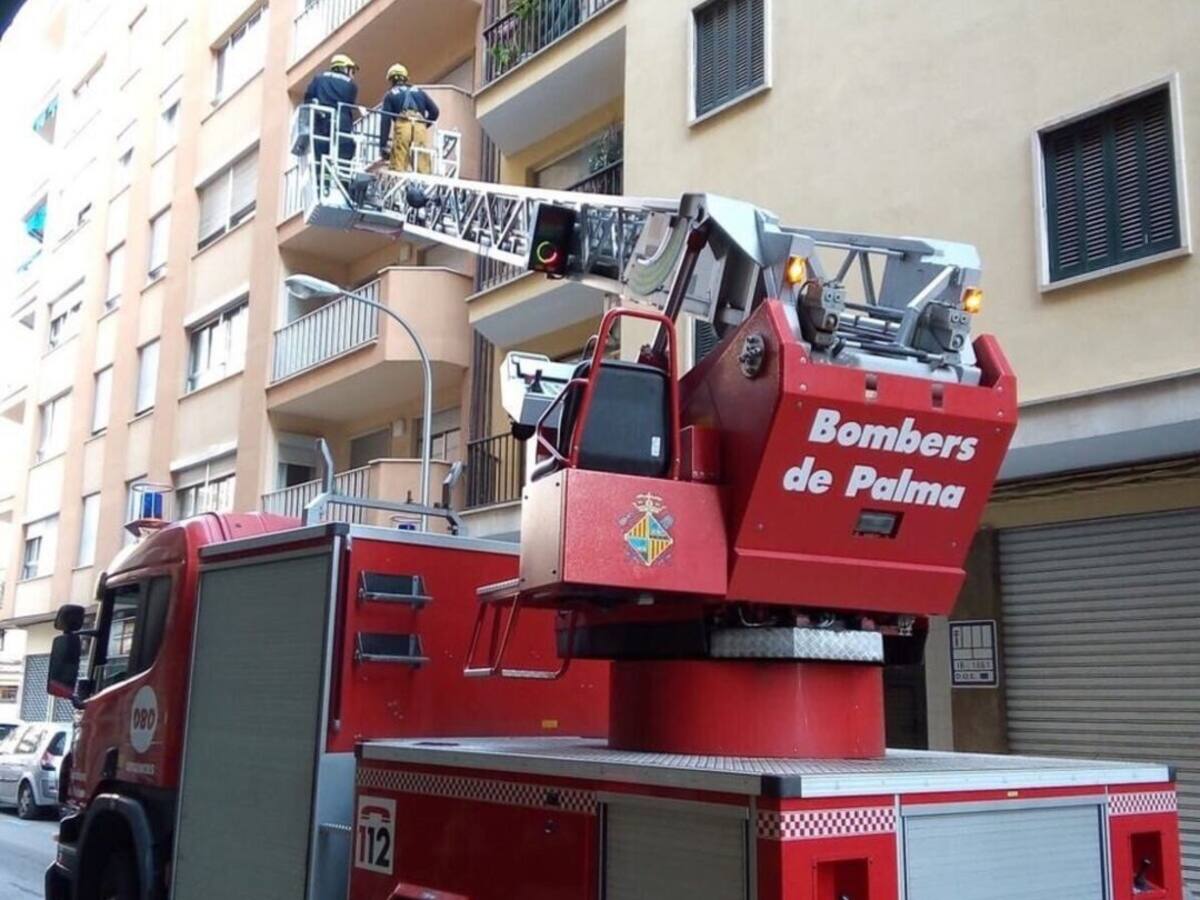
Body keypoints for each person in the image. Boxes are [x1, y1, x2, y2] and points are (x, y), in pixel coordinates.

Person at [378, 64, 440, 174]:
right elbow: (435, 111)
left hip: (403, 126)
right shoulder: (419, 92)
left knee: (399, 164)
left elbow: (385, 121)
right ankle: (424, 187)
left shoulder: (390, 95)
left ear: (391, 80)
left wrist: (383, 145)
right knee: (422, 162)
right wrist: (423, 126)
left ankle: (398, 186)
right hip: (420, 126)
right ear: (406, 78)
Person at [304, 54, 359, 171]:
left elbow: (308, 99)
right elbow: (349, 102)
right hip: (342, 126)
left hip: (321, 125)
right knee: (343, 159)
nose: (352, 74)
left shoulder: (318, 79)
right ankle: (342, 180)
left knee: (320, 159)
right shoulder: (351, 85)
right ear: (344, 68)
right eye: (351, 70)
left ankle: (322, 178)